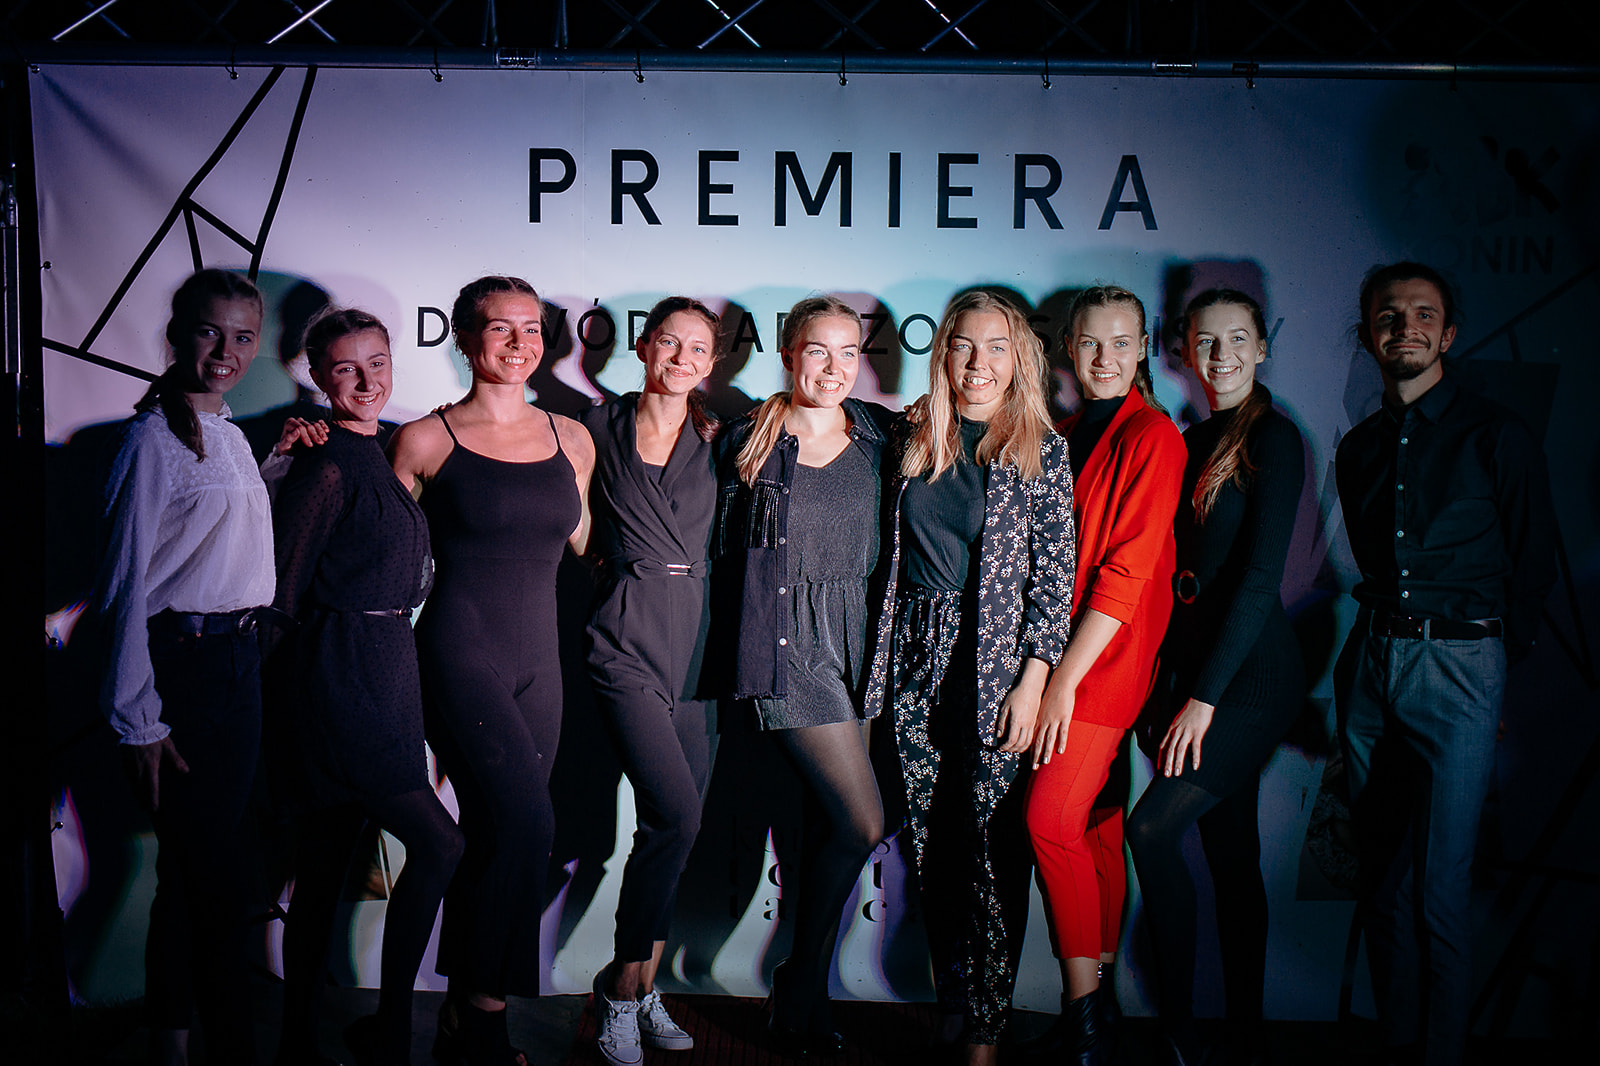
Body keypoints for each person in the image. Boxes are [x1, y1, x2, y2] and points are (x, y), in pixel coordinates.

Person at [1334, 263, 1556, 1066]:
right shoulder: (1358, 448)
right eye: (1389, 316)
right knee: (1382, 882)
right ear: (1369, 336)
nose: (1407, 328)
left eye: (1424, 314)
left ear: (1449, 333)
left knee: (1440, 894)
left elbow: (1533, 564)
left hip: (1462, 665)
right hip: (1372, 662)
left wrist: (1490, 668)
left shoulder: (1497, 435)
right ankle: (1398, 1046)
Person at [864, 289, 1076, 1066]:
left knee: (989, 852)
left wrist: (1034, 679)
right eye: (963, 345)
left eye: (995, 347)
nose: (978, 363)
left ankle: (986, 1034)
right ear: (944, 353)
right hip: (915, 658)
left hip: (995, 669)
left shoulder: (1041, 450)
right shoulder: (914, 435)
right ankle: (953, 1003)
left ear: (1019, 358)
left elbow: (1055, 580)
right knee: (931, 847)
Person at [388, 276, 595, 1066]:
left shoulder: (572, 438)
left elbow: (587, 546)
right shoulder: (424, 439)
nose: (519, 343)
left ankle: (461, 1013)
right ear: (466, 338)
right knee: (528, 824)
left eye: (532, 328)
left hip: (541, 661)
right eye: (501, 328)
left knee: (500, 834)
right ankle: (482, 1013)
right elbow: (377, 550)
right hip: (458, 653)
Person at [264, 309, 464, 1066]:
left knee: (322, 872)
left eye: (376, 362)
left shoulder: (386, 449)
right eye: (346, 368)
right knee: (439, 844)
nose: (365, 380)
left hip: (386, 663)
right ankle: (389, 1030)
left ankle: (300, 1041)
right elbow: (280, 592)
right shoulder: (326, 466)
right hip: (339, 675)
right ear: (318, 375)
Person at [90, 268, 275, 1066]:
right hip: (183, 671)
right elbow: (124, 585)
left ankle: (171, 1041)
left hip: (240, 663)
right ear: (176, 336)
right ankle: (220, 1046)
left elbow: (226, 541)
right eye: (209, 331)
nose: (224, 350)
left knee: (201, 873)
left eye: (242, 336)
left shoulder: (229, 433)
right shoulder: (149, 441)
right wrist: (138, 717)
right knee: (212, 881)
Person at [1125, 289, 1307, 1066]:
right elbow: (1173, 577)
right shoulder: (1189, 438)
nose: (1222, 355)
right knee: (1230, 853)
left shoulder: (1276, 438)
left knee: (1150, 830)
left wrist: (1201, 699)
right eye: (1207, 340)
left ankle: (1179, 1029)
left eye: (1237, 339)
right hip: (1196, 674)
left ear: (1262, 347)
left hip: (1252, 681)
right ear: (1185, 350)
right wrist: (1167, 683)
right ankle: (1244, 1035)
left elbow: (1260, 580)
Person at [712, 296, 890, 1056]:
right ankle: (800, 979)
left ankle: (805, 995)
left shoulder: (878, 434)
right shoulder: (750, 438)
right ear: (789, 354)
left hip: (861, 642)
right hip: (792, 647)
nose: (834, 367)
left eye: (849, 352)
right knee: (862, 824)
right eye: (819, 350)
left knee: (825, 828)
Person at [1021, 285, 1185, 1066]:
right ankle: (1102, 1012)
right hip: (1072, 660)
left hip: (1103, 665)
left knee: (1048, 823)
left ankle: (1083, 1014)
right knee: (1094, 827)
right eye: (1091, 342)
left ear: (1144, 347)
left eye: (1122, 343)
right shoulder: (1068, 431)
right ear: (1068, 347)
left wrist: (1061, 681)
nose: (1105, 357)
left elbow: (1125, 574)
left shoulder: (1154, 436)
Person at [582, 298, 722, 1066]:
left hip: (700, 647)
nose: (681, 358)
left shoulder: (723, 435)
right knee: (676, 814)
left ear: (712, 362)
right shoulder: (593, 428)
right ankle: (619, 990)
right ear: (643, 346)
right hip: (624, 636)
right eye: (670, 341)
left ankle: (642, 985)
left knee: (677, 829)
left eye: (698, 348)